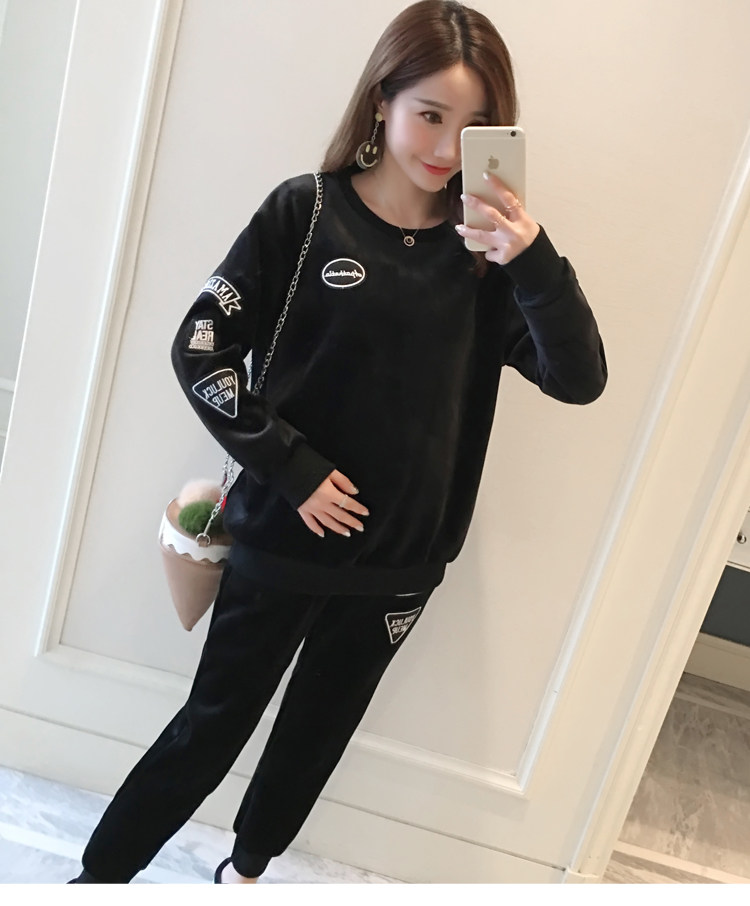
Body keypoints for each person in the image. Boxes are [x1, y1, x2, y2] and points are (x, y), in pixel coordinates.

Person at [67, 0, 607, 885]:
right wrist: (292, 469)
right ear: (381, 101)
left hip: (398, 565)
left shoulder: (488, 258)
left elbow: (579, 378)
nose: (447, 146)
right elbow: (201, 349)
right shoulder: (304, 213)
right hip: (281, 542)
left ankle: (246, 874)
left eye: (474, 126)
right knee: (211, 726)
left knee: (316, 735)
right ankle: (98, 881)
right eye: (430, 114)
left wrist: (532, 255)